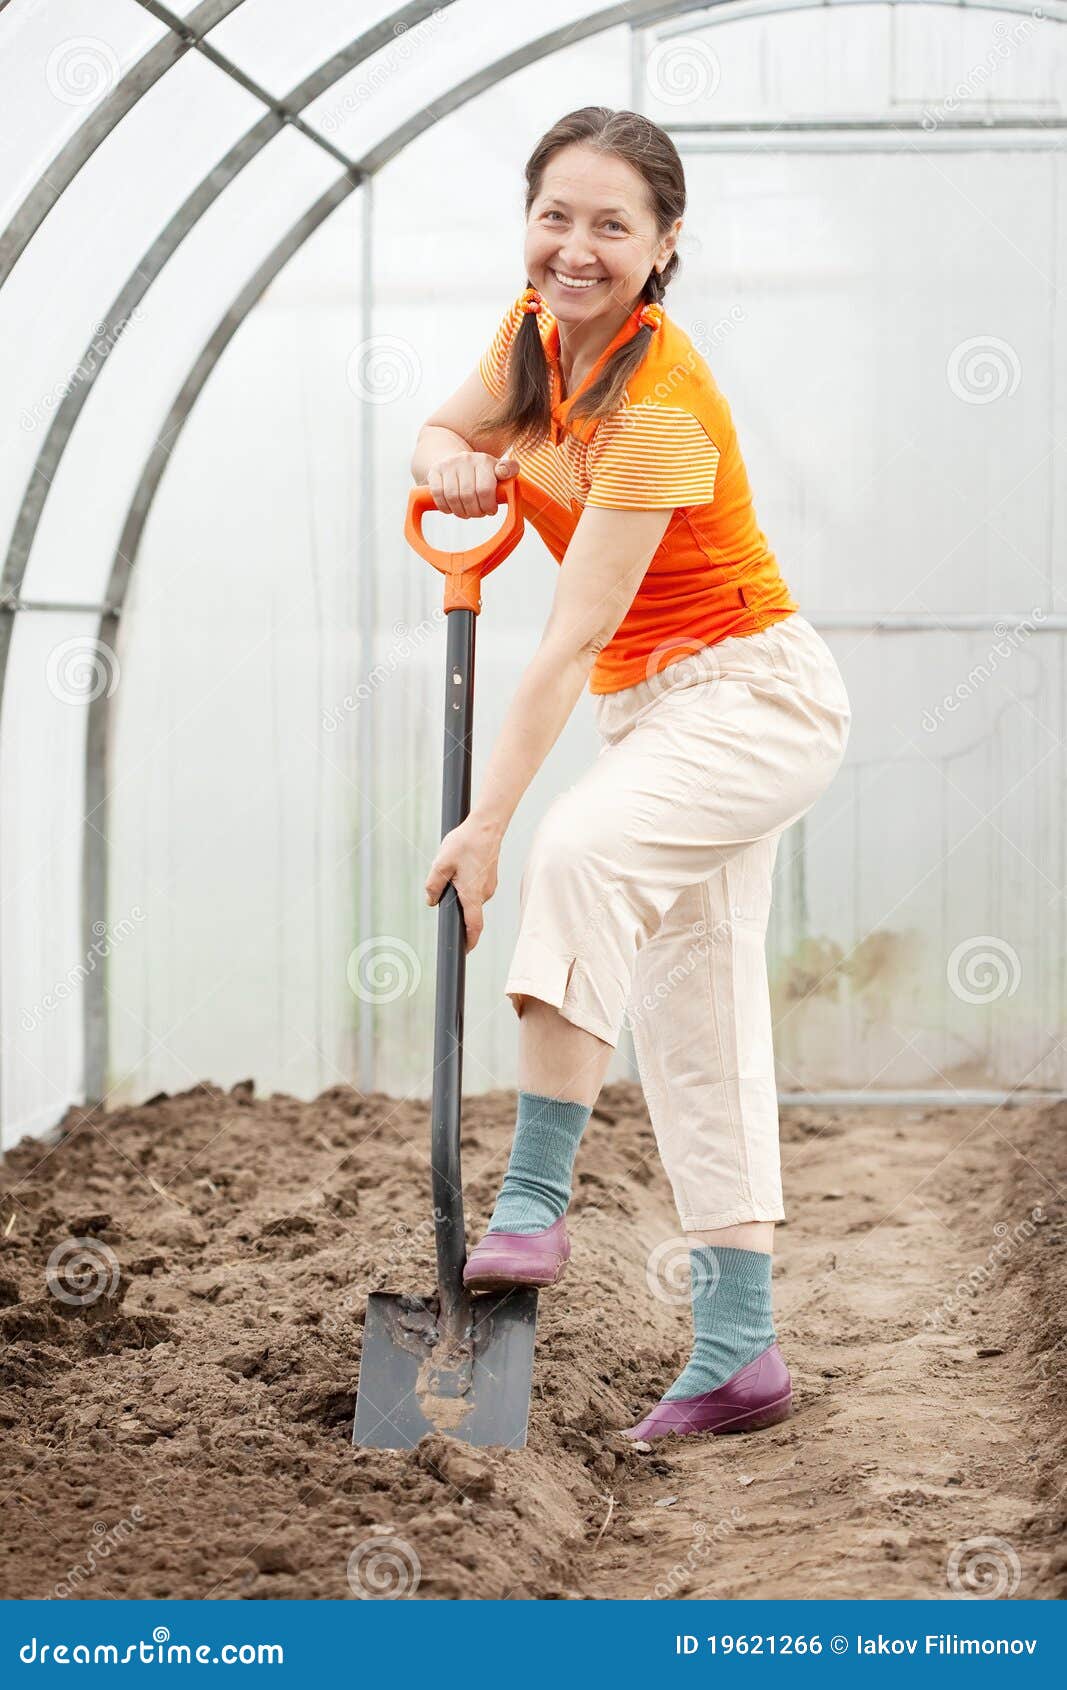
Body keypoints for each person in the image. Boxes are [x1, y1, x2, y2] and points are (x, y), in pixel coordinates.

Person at [412, 107, 851, 1441]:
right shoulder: (531, 335)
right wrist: (446, 457)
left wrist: (487, 824)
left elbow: (572, 636)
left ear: (664, 249)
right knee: (696, 1013)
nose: (577, 248)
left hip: (752, 698)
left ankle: (531, 1206)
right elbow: (447, 426)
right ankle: (738, 1350)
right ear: (529, 223)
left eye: (614, 225)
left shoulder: (659, 406)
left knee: (577, 849)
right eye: (557, 215)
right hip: (652, 714)